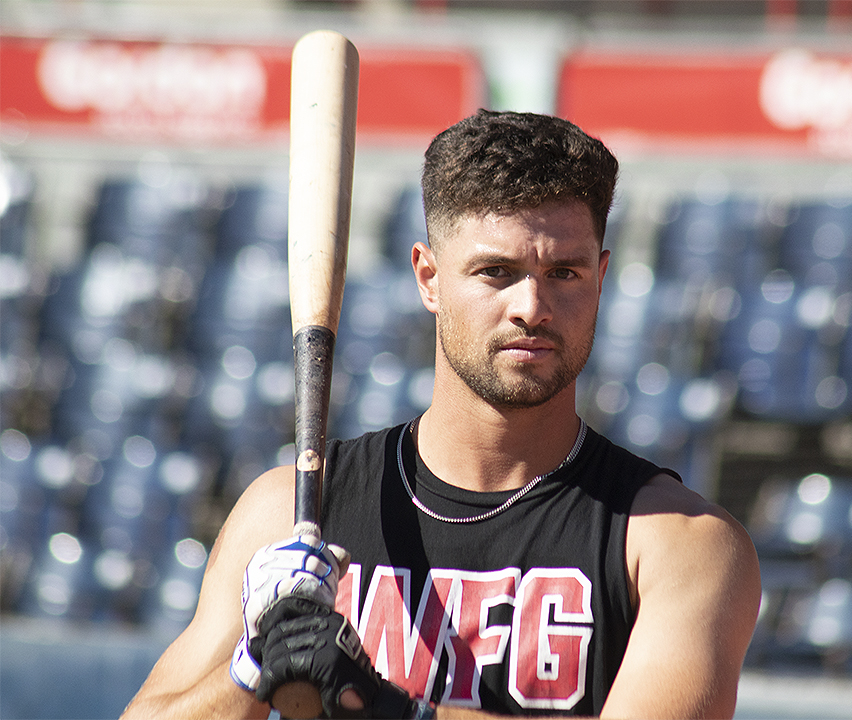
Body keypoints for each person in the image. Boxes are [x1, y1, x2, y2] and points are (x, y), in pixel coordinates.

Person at [122, 109, 761, 720]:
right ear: (428, 277)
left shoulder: (676, 541)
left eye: (564, 272)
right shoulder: (293, 510)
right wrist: (253, 663)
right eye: (495, 272)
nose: (531, 306)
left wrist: (389, 708)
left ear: (601, 275)